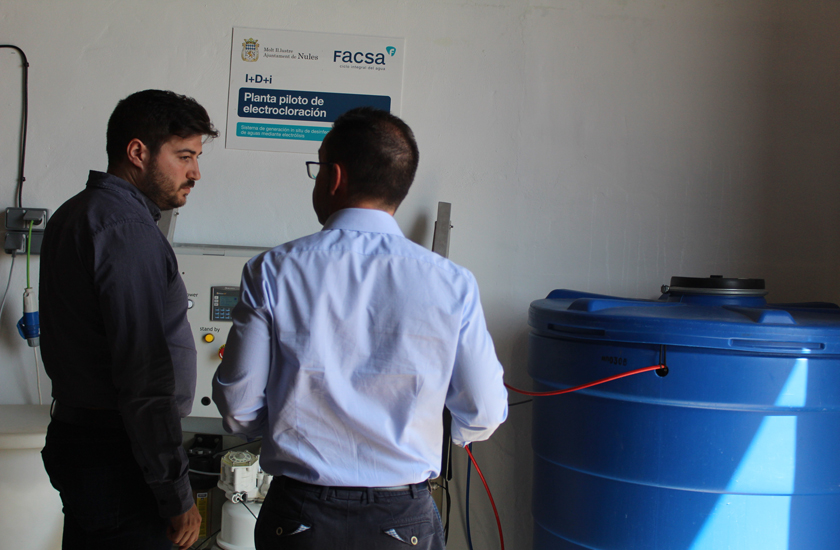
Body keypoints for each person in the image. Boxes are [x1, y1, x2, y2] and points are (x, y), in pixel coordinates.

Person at [212, 107, 508, 550]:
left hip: (299, 516)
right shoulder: (452, 282)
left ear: (334, 177)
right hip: (402, 520)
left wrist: (287, 425)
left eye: (317, 169)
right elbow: (483, 411)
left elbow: (238, 408)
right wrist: (421, 434)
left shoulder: (272, 270)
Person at [39, 89, 218, 550]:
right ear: (138, 152)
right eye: (184, 157)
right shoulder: (126, 230)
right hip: (121, 458)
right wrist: (176, 493)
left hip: (87, 443)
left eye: (196, 158)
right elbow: (144, 378)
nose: (195, 173)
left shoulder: (77, 213)